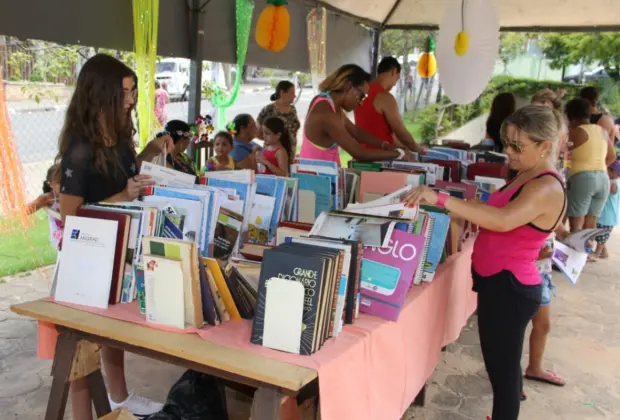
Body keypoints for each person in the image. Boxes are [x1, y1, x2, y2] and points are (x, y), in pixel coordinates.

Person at [403, 105, 567, 420]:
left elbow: (503, 220)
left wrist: (441, 199)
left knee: (503, 375)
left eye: (517, 146)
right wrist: (452, 202)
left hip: (511, 287)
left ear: (545, 146)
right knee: (501, 365)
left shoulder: (545, 185)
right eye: (506, 142)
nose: (508, 152)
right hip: (501, 283)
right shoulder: (529, 175)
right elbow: (496, 213)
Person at [54, 53, 173, 420]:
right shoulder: (79, 146)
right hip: (86, 252)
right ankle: (81, 415)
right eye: (124, 92)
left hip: (118, 243)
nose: (131, 99)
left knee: (112, 331)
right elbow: (71, 215)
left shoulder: (119, 134)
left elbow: (124, 174)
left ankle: (119, 399)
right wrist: (122, 197)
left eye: (133, 91)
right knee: (80, 346)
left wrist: (150, 153)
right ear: (100, 92)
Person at [299, 64, 414, 166]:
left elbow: (356, 132)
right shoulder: (326, 113)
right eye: (361, 96)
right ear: (348, 86)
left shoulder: (331, 105)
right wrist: (398, 154)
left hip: (324, 176)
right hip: (313, 181)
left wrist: (385, 145)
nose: (361, 103)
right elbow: (359, 153)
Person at [353, 57, 424, 154]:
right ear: (394, 71)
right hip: (381, 157)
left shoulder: (361, 92)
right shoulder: (385, 97)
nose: (395, 84)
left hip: (361, 155)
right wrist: (418, 150)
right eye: (397, 78)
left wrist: (406, 148)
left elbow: (390, 134)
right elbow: (401, 132)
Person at [565, 98, 615, 233]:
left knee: (576, 225)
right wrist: (596, 167)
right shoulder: (602, 131)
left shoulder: (577, 131)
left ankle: (573, 253)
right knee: (590, 226)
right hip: (603, 179)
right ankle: (584, 253)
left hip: (582, 178)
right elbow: (612, 157)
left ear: (572, 118)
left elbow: (562, 150)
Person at [257, 81, 301, 161]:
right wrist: (273, 141)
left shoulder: (293, 110)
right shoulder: (268, 110)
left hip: (290, 153)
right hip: (274, 155)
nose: (294, 96)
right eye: (292, 93)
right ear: (282, 93)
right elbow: (258, 132)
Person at [25, 164, 64, 249]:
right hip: (59, 235)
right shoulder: (47, 198)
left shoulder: (75, 196)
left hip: (75, 229)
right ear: (51, 184)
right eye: (60, 182)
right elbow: (27, 210)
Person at [594, 160, 620, 258]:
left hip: (606, 216)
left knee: (600, 237)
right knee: (601, 236)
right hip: (610, 216)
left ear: (613, 172)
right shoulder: (617, 182)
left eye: (607, 170)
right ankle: (604, 252)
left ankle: (597, 253)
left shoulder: (611, 184)